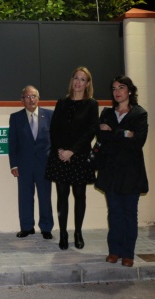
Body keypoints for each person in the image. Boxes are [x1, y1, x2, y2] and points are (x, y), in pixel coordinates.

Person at [95, 76, 148, 267]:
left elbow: (137, 142)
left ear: (130, 91)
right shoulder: (107, 113)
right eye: (114, 88)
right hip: (111, 172)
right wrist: (125, 133)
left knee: (129, 214)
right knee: (114, 213)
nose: (117, 91)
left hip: (131, 174)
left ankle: (128, 254)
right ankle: (114, 251)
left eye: (121, 87)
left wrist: (114, 132)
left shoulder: (140, 114)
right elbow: (101, 136)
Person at [45, 66, 99, 250]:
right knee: (62, 196)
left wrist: (72, 151)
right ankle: (63, 233)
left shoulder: (91, 104)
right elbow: (54, 129)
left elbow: (90, 131)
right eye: (76, 78)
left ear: (87, 83)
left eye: (82, 79)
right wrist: (61, 150)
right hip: (60, 156)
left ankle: (78, 232)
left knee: (80, 195)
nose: (78, 82)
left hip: (80, 156)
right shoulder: (62, 102)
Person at [8, 86, 54, 240]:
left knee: (45, 197)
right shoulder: (15, 118)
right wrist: (13, 165)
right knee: (25, 197)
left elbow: (54, 141)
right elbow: (12, 143)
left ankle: (46, 227)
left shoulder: (49, 115)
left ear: (38, 98)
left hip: (45, 165)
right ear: (22, 100)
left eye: (33, 96)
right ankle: (27, 227)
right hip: (24, 166)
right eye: (27, 97)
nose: (31, 99)